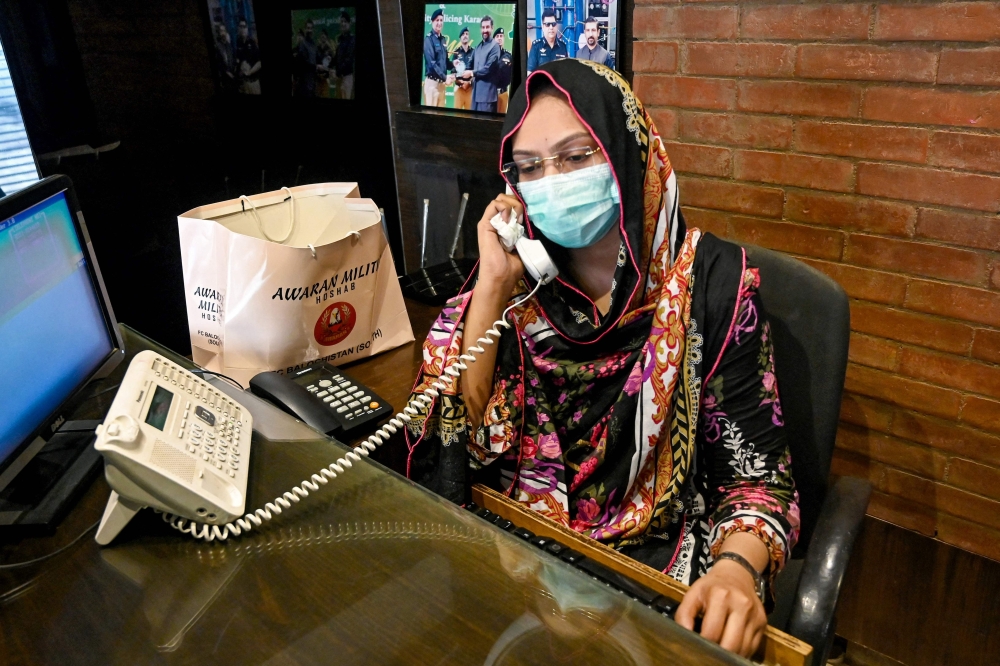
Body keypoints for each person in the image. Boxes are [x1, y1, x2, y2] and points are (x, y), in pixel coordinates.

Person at [405, 59, 799, 660]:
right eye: (529, 167)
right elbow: (443, 447)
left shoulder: (714, 288)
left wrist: (735, 573)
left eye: (576, 156)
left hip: (652, 567)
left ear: (627, 152)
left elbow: (756, 481)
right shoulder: (516, 294)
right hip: (518, 559)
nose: (552, 181)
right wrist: (492, 287)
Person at [462, 16, 500, 113]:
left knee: (485, 127)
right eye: (483, 27)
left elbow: (488, 69)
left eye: (487, 27)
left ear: (492, 28)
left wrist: (471, 73)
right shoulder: (477, 47)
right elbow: (469, 66)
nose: (485, 30)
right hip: (475, 96)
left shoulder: (495, 47)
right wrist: (458, 67)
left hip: (487, 98)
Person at [422, 8, 454, 106]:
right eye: (437, 20)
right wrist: (445, 77)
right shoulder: (428, 39)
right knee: (431, 118)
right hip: (432, 84)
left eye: (441, 20)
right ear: (432, 22)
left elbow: (444, 62)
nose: (439, 23)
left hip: (442, 86)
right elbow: (432, 64)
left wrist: (453, 64)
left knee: (440, 117)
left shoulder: (443, 39)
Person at [527, 9, 568, 74]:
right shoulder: (536, 46)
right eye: (547, 24)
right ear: (543, 27)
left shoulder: (563, 46)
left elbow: (566, 71)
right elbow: (530, 72)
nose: (551, 27)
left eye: (553, 24)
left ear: (556, 26)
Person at [235, 18, 261, 94]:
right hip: (244, 83)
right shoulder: (238, 43)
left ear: (247, 29)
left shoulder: (252, 43)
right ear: (238, 28)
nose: (243, 29)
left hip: (253, 82)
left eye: (244, 27)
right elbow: (238, 61)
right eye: (241, 27)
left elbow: (259, 62)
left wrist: (249, 72)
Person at [292, 19, 318, 97]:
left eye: (310, 28)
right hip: (303, 84)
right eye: (307, 28)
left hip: (312, 83)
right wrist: (315, 66)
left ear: (313, 30)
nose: (309, 30)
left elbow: (316, 59)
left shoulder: (313, 45)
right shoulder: (302, 45)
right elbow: (302, 63)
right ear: (305, 29)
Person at [452, 27, 475, 110]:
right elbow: (453, 71)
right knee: (456, 116)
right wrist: (459, 82)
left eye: (467, 34)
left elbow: (476, 70)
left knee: (470, 116)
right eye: (463, 34)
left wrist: (470, 82)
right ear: (460, 37)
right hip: (459, 88)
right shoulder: (456, 52)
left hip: (470, 89)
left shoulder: (474, 52)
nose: (465, 36)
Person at [334, 11, 356, 99]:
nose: (343, 24)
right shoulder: (340, 39)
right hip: (339, 77)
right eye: (341, 21)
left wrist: (337, 72)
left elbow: (348, 59)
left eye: (345, 21)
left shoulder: (352, 39)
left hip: (347, 77)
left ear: (349, 23)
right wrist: (328, 66)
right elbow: (337, 56)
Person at [213, 23, 237, 92]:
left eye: (224, 31)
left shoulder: (229, 45)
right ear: (219, 33)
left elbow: (233, 58)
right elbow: (219, 63)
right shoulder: (217, 47)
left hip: (233, 77)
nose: (223, 33)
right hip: (225, 79)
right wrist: (228, 73)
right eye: (221, 31)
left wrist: (234, 70)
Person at [494, 27, 513, 114]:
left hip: (503, 93)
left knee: (501, 122)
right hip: (491, 94)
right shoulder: (489, 55)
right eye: (497, 36)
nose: (499, 38)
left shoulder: (508, 55)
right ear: (494, 39)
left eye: (501, 36)